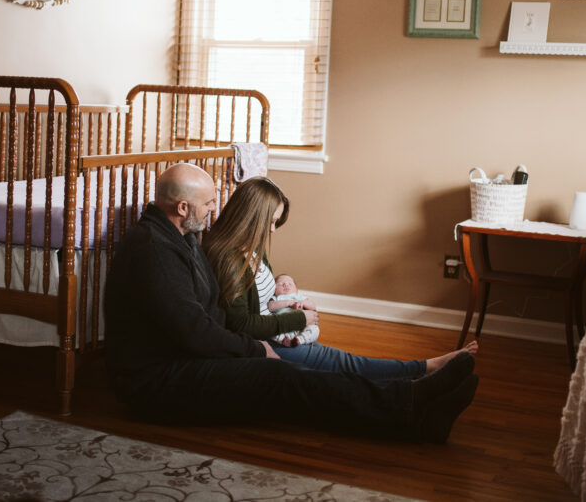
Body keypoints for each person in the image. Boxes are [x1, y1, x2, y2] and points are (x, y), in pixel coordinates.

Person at [104, 163, 478, 443]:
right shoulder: (153, 250)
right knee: (283, 378)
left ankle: (411, 402)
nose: (213, 210)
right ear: (182, 207)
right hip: (157, 384)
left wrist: (245, 347)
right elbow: (193, 330)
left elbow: (210, 316)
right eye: (207, 203)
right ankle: (410, 406)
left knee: (295, 376)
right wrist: (253, 348)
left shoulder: (181, 238)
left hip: (188, 360)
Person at [204, 176, 478, 380]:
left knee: (341, 366)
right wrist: (299, 319)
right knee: (347, 365)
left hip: (280, 332)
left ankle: (421, 371)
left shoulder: (252, 247)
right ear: (251, 217)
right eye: (271, 222)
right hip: (267, 342)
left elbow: (263, 301)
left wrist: (294, 302)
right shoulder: (229, 259)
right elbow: (242, 323)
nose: (273, 230)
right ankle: (425, 369)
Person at [268, 274, 319, 347]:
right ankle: (283, 340)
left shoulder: (300, 297)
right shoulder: (276, 298)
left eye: (290, 283)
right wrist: (288, 303)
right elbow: (270, 307)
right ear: (274, 290)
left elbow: (313, 306)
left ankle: (300, 339)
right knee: (270, 330)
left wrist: (303, 303)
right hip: (283, 327)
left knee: (314, 329)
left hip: (302, 326)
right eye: (281, 284)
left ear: (296, 290)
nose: (286, 285)